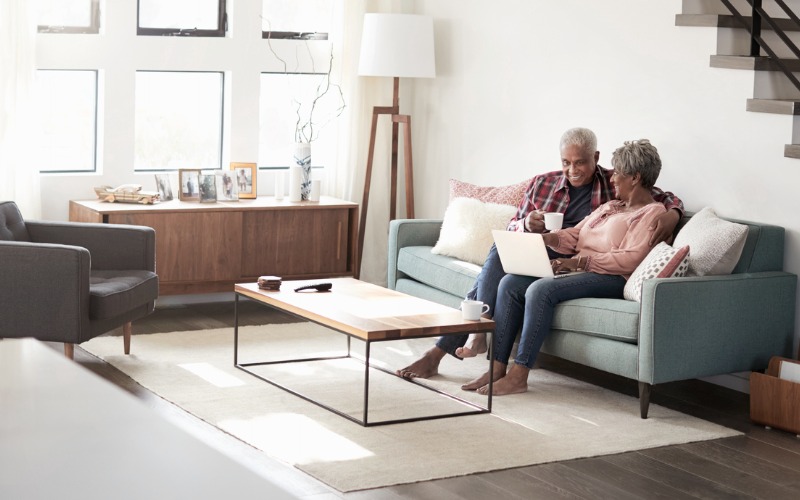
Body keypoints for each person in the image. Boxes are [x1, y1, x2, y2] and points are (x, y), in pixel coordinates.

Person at [396, 127, 684, 380]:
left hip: (579, 262)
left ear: (596, 158)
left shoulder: (618, 189)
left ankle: (469, 342)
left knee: (527, 285)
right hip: (551, 248)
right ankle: (482, 340)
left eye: (581, 162)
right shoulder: (558, 188)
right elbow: (532, 228)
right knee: (502, 252)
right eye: (566, 162)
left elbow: (655, 196)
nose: (573, 170)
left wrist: (674, 213)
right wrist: (532, 228)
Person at [462, 138, 668, 395]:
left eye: (618, 174)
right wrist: (547, 239)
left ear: (635, 178)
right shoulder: (610, 207)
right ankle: (496, 366)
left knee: (540, 290)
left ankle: (520, 374)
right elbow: (576, 234)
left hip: (611, 276)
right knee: (510, 283)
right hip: (580, 269)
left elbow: (632, 258)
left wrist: (578, 262)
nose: (613, 179)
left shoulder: (653, 213)